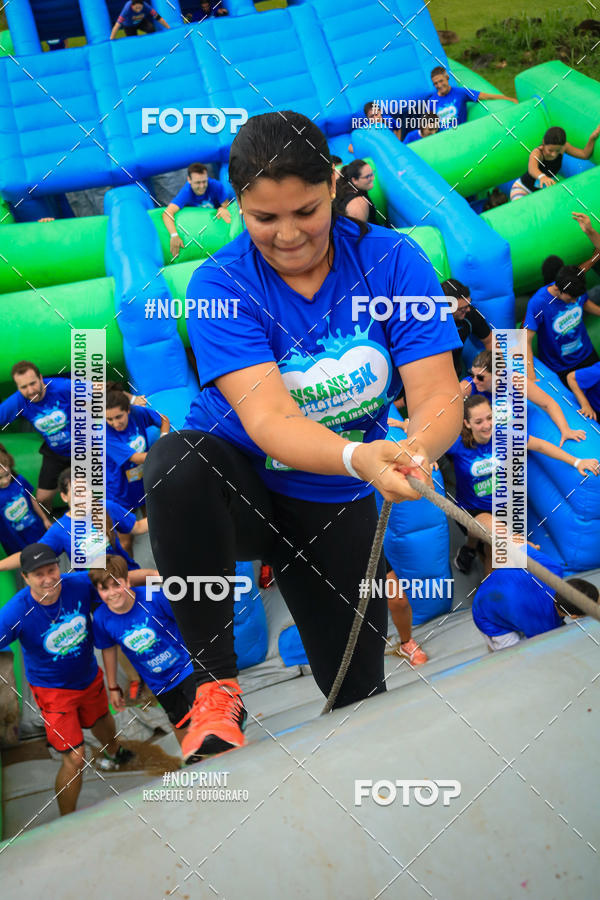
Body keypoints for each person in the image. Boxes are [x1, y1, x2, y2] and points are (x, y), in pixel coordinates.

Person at [144, 110, 463, 761]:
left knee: (359, 692)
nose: (289, 235)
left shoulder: (394, 261)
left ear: (335, 190)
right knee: (175, 462)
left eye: (307, 212)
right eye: (266, 218)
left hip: (335, 499)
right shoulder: (220, 285)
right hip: (246, 486)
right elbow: (271, 422)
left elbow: (434, 395)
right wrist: (357, 455)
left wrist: (416, 449)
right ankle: (214, 688)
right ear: (238, 209)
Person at [0, 544, 133, 815]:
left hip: (88, 676)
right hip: (53, 692)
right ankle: (67, 819)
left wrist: (160, 577)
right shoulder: (14, 613)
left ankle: (115, 753)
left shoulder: (78, 584)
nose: (49, 578)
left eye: (52, 569)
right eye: (39, 575)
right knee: (75, 757)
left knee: (102, 721)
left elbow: (115, 578)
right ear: (25, 578)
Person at [446, 396, 599, 575]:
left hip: (503, 507)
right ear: (467, 423)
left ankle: (490, 591)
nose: (487, 425)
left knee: (494, 550)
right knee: (481, 533)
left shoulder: (505, 435)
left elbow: (541, 446)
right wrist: (429, 458)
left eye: (489, 418)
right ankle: (472, 547)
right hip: (471, 509)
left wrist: (577, 461)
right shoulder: (456, 444)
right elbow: (426, 443)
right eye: (479, 421)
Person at [0, 361, 143, 514]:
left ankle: (109, 520)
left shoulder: (61, 387)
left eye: (33, 383)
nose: (30, 390)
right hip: (56, 452)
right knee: (42, 498)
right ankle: (49, 525)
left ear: (41, 378)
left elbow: (102, 389)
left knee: (106, 488)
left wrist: (133, 400)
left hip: (86, 445)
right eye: (23, 387)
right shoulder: (18, 401)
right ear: (18, 388)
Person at [89, 556, 196, 749]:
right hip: (159, 682)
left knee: (206, 711)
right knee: (179, 721)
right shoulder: (101, 618)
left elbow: (187, 622)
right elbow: (108, 650)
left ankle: (229, 750)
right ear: (98, 591)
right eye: (104, 588)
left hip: (187, 667)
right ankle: (193, 758)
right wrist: (112, 686)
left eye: (116, 584)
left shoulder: (153, 597)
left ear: (128, 581)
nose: (112, 593)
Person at [0, 468, 155, 583]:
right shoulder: (60, 530)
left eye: (86, 490)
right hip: (98, 588)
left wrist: (171, 515)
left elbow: (138, 527)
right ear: (64, 497)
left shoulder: (106, 507)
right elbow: (29, 556)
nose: (84, 497)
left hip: (127, 574)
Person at [473, 551, 598, 651]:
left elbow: (518, 546)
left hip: (495, 583)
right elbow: (539, 652)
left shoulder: (551, 568)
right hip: (485, 615)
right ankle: (493, 644)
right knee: (516, 658)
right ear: (575, 616)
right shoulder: (543, 628)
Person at [461, 349, 587, 446]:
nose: (475, 380)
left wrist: (565, 429)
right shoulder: (469, 386)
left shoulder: (514, 381)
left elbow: (547, 403)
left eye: (480, 377)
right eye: (472, 375)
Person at [523, 265, 600, 386]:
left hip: (587, 355)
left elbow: (585, 303)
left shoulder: (575, 288)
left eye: (577, 298)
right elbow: (525, 341)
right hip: (561, 367)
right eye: (570, 299)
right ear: (558, 289)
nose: (575, 302)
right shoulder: (539, 303)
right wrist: (532, 377)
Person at [106, 386, 169, 514]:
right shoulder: (104, 434)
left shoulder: (137, 412)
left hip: (142, 478)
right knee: (127, 528)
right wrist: (164, 452)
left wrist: (164, 438)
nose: (115, 423)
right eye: (109, 419)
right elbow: (136, 458)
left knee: (150, 514)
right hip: (120, 486)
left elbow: (164, 419)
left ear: (128, 410)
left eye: (119, 417)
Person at [510, 125, 600, 200]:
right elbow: (532, 169)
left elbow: (584, 154)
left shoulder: (564, 147)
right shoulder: (538, 153)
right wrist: (542, 177)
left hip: (540, 193)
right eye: (550, 150)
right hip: (523, 189)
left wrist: (592, 138)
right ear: (543, 143)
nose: (554, 154)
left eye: (558, 150)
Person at [162, 163, 231, 259]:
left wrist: (222, 209)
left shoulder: (215, 186)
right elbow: (167, 213)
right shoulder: (187, 192)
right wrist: (174, 235)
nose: (202, 186)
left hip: (214, 222)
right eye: (198, 183)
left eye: (204, 181)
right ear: (189, 180)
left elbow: (226, 206)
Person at [0, 443, 51, 554]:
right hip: (15, 541)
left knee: (44, 552)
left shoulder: (19, 480)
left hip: (35, 529)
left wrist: (44, 518)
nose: (5, 481)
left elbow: (32, 499)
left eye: (7, 475)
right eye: (0, 478)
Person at [428, 67, 516, 130]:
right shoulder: (431, 102)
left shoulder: (460, 92)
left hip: (460, 132)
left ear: (447, 78)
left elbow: (486, 96)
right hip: (441, 138)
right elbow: (428, 125)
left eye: (441, 81)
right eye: (435, 83)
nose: (439, 85)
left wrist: (509, 99)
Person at [441, 278, 492, 377]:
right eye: (462, 308)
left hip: (454, 371)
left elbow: (490, 340)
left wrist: (496, 367)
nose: (468, 309)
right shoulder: (431, 321)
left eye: (468, 304)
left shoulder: (470, 315)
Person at [333, 160, 380, 225]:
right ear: (354, 180)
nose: (373, 178)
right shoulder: (358, 205)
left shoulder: (343, 181)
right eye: (367, 176)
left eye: (372, 173)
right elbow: (359, 233)